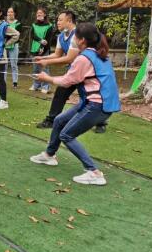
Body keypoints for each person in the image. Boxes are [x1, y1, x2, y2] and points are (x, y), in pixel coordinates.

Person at [29, 23, 120, 185]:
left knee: (66, 135)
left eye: (75, 37)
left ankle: (94, 172)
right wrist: (45, 61)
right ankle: (49, 155)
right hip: (97, 103)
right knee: (59, 120)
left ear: (81, 40)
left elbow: (67, 81)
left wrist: (46, 78)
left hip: (97, 105)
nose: (73, 40)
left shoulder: (84, 58)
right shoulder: (98, 54)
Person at [30, 8, 53, 93]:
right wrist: (40, 40)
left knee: (44, 68)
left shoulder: (49, 26)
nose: (38, 14)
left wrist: (42, 48)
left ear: (44, 14)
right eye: (37, 13)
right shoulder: (34, 25)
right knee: (35, 68)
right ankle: (36, 84)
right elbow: (33, 36)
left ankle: (45, 86)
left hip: (44, 50)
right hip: (34, 49)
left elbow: (48, 39)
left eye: (40, 13)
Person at [4, 6, 22, 88]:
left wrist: (9, 36)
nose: (9, 13)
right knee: (4, 64)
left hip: (14, 45)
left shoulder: (18, 23)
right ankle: (3, 82)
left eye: (11, 12)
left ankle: (15, 82)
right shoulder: (4, 23)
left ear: (14, 13)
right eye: (8, 12)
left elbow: (17, 35)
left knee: (13, 64)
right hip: (4, 45)